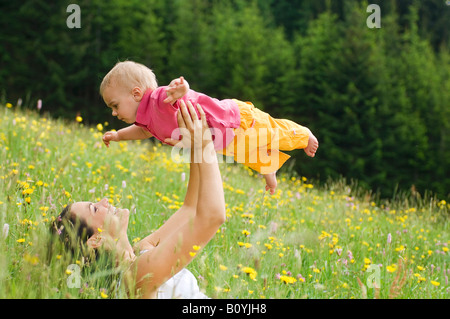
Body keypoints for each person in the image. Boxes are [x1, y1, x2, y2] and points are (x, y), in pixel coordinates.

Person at [50, 101, 225, 298]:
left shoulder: (142, 250)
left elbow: (190, 209)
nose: (104, 201)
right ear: (96, 240)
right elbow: (212, 217)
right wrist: (205, 144)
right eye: (94, 209)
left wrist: (194, 145)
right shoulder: (135, 277)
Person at [100, 61, 319, 194]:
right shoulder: (146, 119)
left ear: (136, 94)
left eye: (115, 105)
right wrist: (118, 136)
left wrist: (181, 88)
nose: (114, 112)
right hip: (222, 140)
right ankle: (269, 170)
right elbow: (142, 132)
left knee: (274, 134)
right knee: (247, 155)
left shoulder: (159, 99)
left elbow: (179, 91)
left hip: (236, 121)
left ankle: (302, 134)